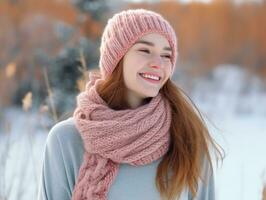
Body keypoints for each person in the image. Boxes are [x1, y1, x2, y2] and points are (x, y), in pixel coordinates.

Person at [38, 9, 223, 200]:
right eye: (145, 50)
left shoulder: (187, 139)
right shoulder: (66, 140)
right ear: (116, 58)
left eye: (166, 55)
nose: (158, 63)